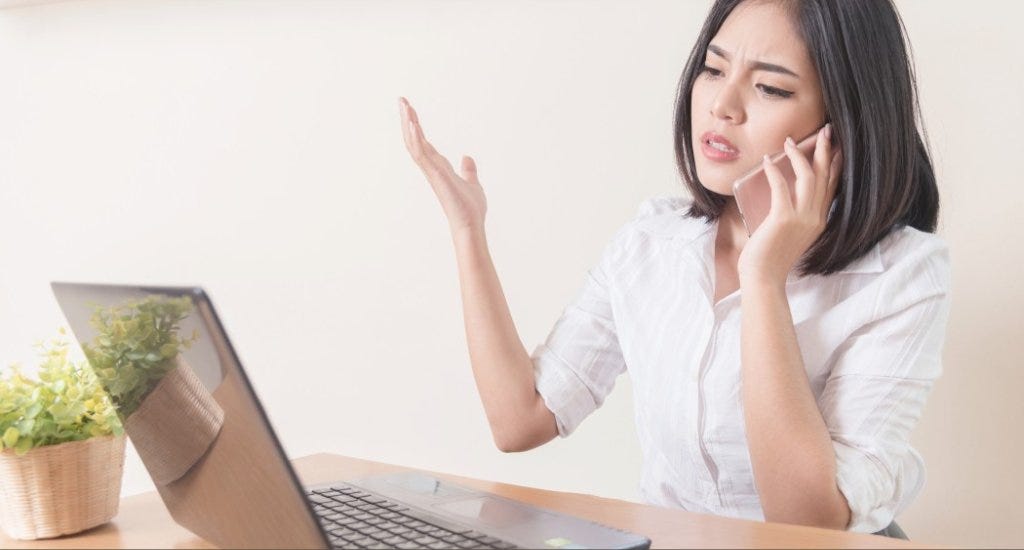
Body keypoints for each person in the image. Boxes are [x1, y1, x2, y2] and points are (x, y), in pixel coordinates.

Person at [397, 0, 948, 540]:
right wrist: (468, 231)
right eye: (713, 69)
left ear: (843, 122)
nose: (722, 106)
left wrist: (764, 279)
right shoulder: (653, 241)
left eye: (771, 88)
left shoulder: (901, 275)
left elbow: (804, 520)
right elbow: (522, 420)